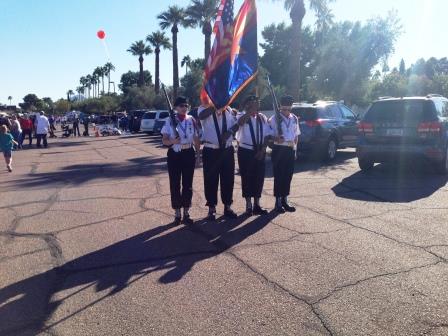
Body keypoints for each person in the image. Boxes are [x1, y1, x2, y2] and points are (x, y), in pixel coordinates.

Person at [161, 97, 201, 225]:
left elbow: (196, 138)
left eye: (186, 105)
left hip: (188, 152)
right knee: (175, 183)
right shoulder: (170, 120)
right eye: (181, 106)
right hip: (175, 154)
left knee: (188, 184)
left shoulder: (191, 120)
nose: (184, 108)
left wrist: (198, 155)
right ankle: (177, 212)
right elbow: (164, 140)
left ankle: (186, 212)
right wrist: (173, 141)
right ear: (176, 108)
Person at [198, 104, 239, 220]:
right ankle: (211, 208)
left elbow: (236, 125)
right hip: (211, 150)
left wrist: (230, 131)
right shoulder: (204, 108)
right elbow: (201, 116)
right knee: (210, 179)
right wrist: (216, 106)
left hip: (227, 150)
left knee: (228, 179)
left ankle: (227, 206)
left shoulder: (229, 109)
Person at [236, 96, 270, 216]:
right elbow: (239, 123)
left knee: (258, 178)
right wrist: (249, 112)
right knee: (247, 177)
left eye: (257, 102)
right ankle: (248, 205)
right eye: (253, 103)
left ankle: (257, 204)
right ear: (247, 105)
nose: (256, 105)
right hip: (246, 151)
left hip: (260, 150)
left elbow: (267, 135)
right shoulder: (241, 115)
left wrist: (263, 149)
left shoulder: (262, 117)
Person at [268, 95, 300, 213]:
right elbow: (268, 135)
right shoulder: (274, 118)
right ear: (280, 108)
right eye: (284, 109)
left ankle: (285, 200)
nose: (286, 112)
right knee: (279, 176)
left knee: (288, 176)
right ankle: (277, 201)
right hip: (279, 150)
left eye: (288, 109)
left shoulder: (294, 118)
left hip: (290, 150)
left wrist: (295, 149)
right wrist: (276, 138)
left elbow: (296, 135)